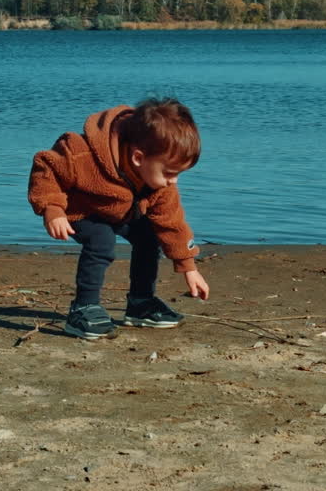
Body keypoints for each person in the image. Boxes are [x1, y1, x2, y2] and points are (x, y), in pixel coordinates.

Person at [28, 97, 209, 339]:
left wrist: (188, 266)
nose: (173, 181)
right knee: (101, 241)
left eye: (179, 174)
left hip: (123, 211)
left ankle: (140, 303)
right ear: (138, 157)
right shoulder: (82, 154)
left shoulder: (161, 185)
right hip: (80, 209)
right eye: (169, 172)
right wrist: (52, 208)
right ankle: (84, 308)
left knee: (149, 236)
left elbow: (171, 223)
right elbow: (46, 168)